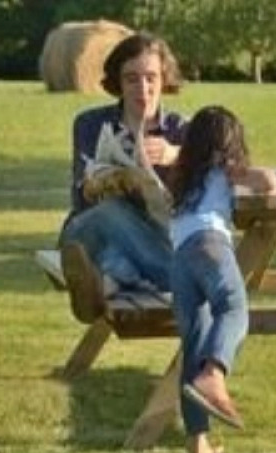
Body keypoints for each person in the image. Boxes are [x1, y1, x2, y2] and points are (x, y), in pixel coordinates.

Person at [167, 105, 276, 453]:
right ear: (230, 145)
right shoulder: (225, 168)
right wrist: (262, 181)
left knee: (194, 342)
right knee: (233, 305)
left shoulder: (184, 177)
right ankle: (215, 374)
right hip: (211, 244)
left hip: (180, 258)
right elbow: (267, 180)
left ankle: (197, 444)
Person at [59, 32, 186, 322]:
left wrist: (176, 154)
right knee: (112, 212)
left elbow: (224, 167)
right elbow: (83, 193)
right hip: (87, 232)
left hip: (153, 239)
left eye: (151, 78)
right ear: (118, 83)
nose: (143, 88)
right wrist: (113, 181)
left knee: (118, 258)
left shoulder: (181, 130)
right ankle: (179, 278)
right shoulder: (91, 124)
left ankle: (106, 283)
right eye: (131, 79)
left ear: (164, 79)